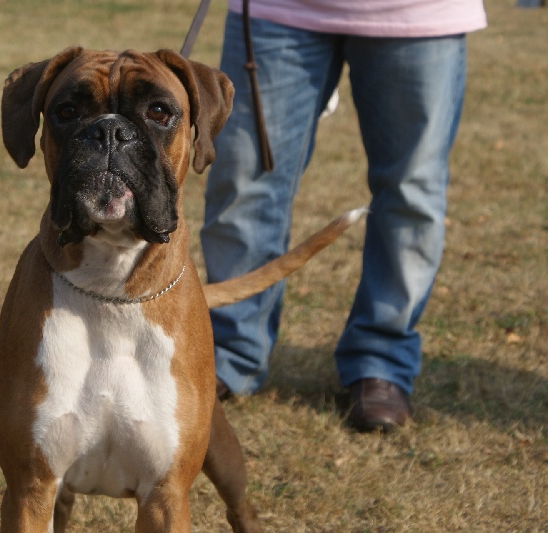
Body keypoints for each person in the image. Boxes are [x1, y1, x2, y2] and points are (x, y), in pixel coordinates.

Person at [201, 0, 487, 431]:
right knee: (245, 182)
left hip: (420, 12)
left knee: (412, 193)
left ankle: (383, 361)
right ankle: (225, 351)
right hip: (277, 11)